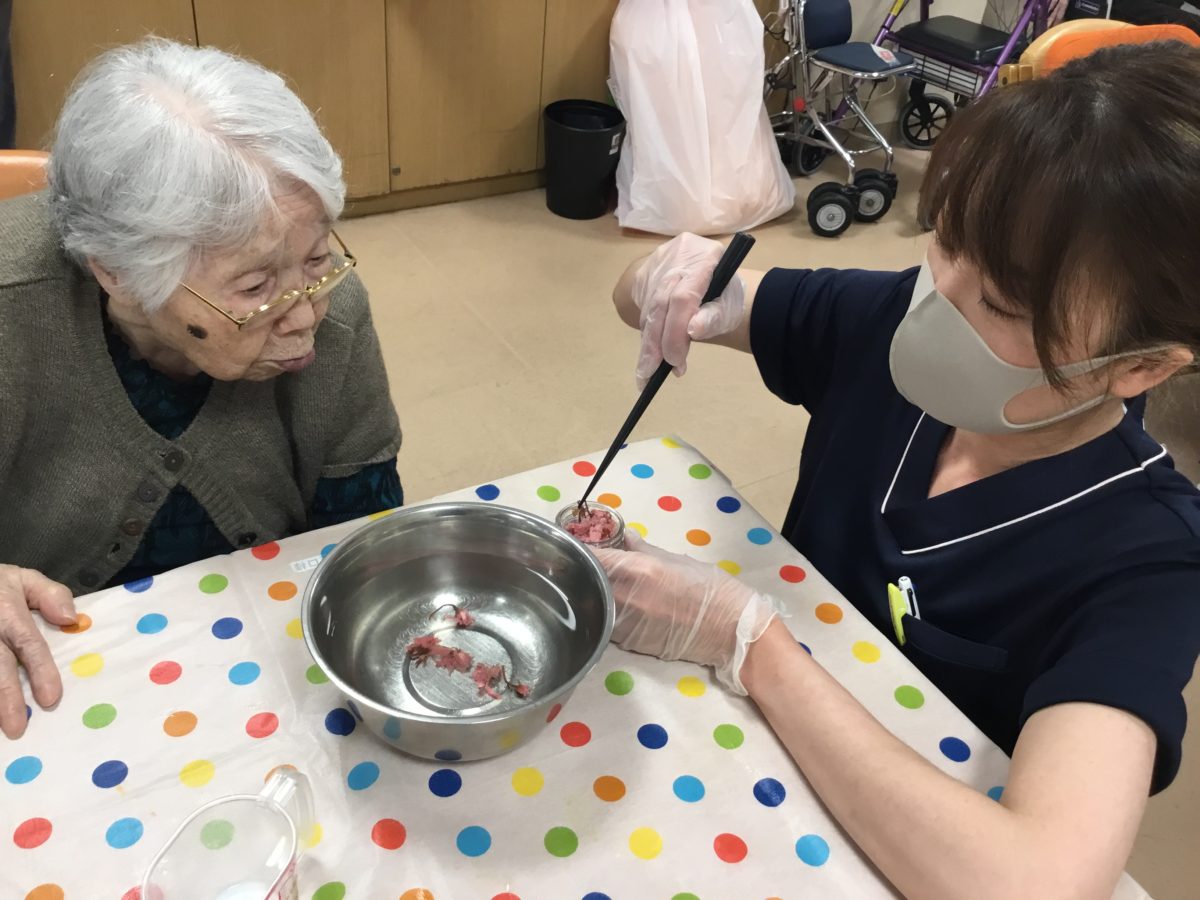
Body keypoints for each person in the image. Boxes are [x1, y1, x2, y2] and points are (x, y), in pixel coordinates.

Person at [604, 43, 1200, 898]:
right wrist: (672, 276)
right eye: (947, 239)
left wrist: (750, 640)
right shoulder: (894, 319)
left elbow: (1034, 883)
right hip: (728, 781)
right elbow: (636, 295)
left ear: (1141, 366)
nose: (942, 300)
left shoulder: (1150, 558)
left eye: (1003, 304)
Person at [0, 40, 402, 740]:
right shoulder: (13, 309)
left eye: (316, 258)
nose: (306, 313)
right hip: (51, 672)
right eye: (254, 287)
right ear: (116, 273)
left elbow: (360, 530)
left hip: (268, 657)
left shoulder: (334, 308)